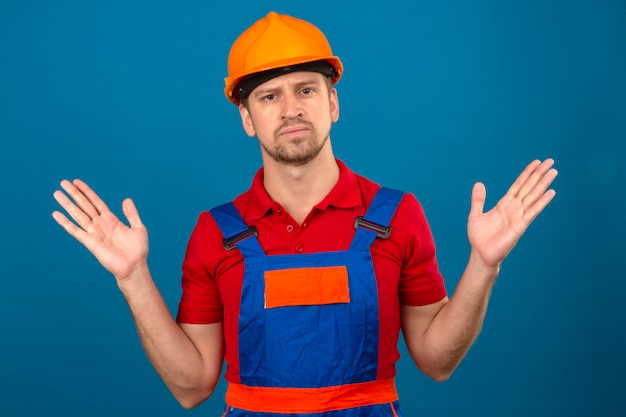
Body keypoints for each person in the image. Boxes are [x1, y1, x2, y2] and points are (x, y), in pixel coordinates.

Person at [52, 11, 558, 417]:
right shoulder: (216, 233)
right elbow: (191, 389)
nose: (290, 107)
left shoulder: (397, 214)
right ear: (247, 118)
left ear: (333, 103)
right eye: (269, 96)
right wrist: (134, 278)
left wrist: (483, 266)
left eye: (306, 89)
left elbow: (437, 361)